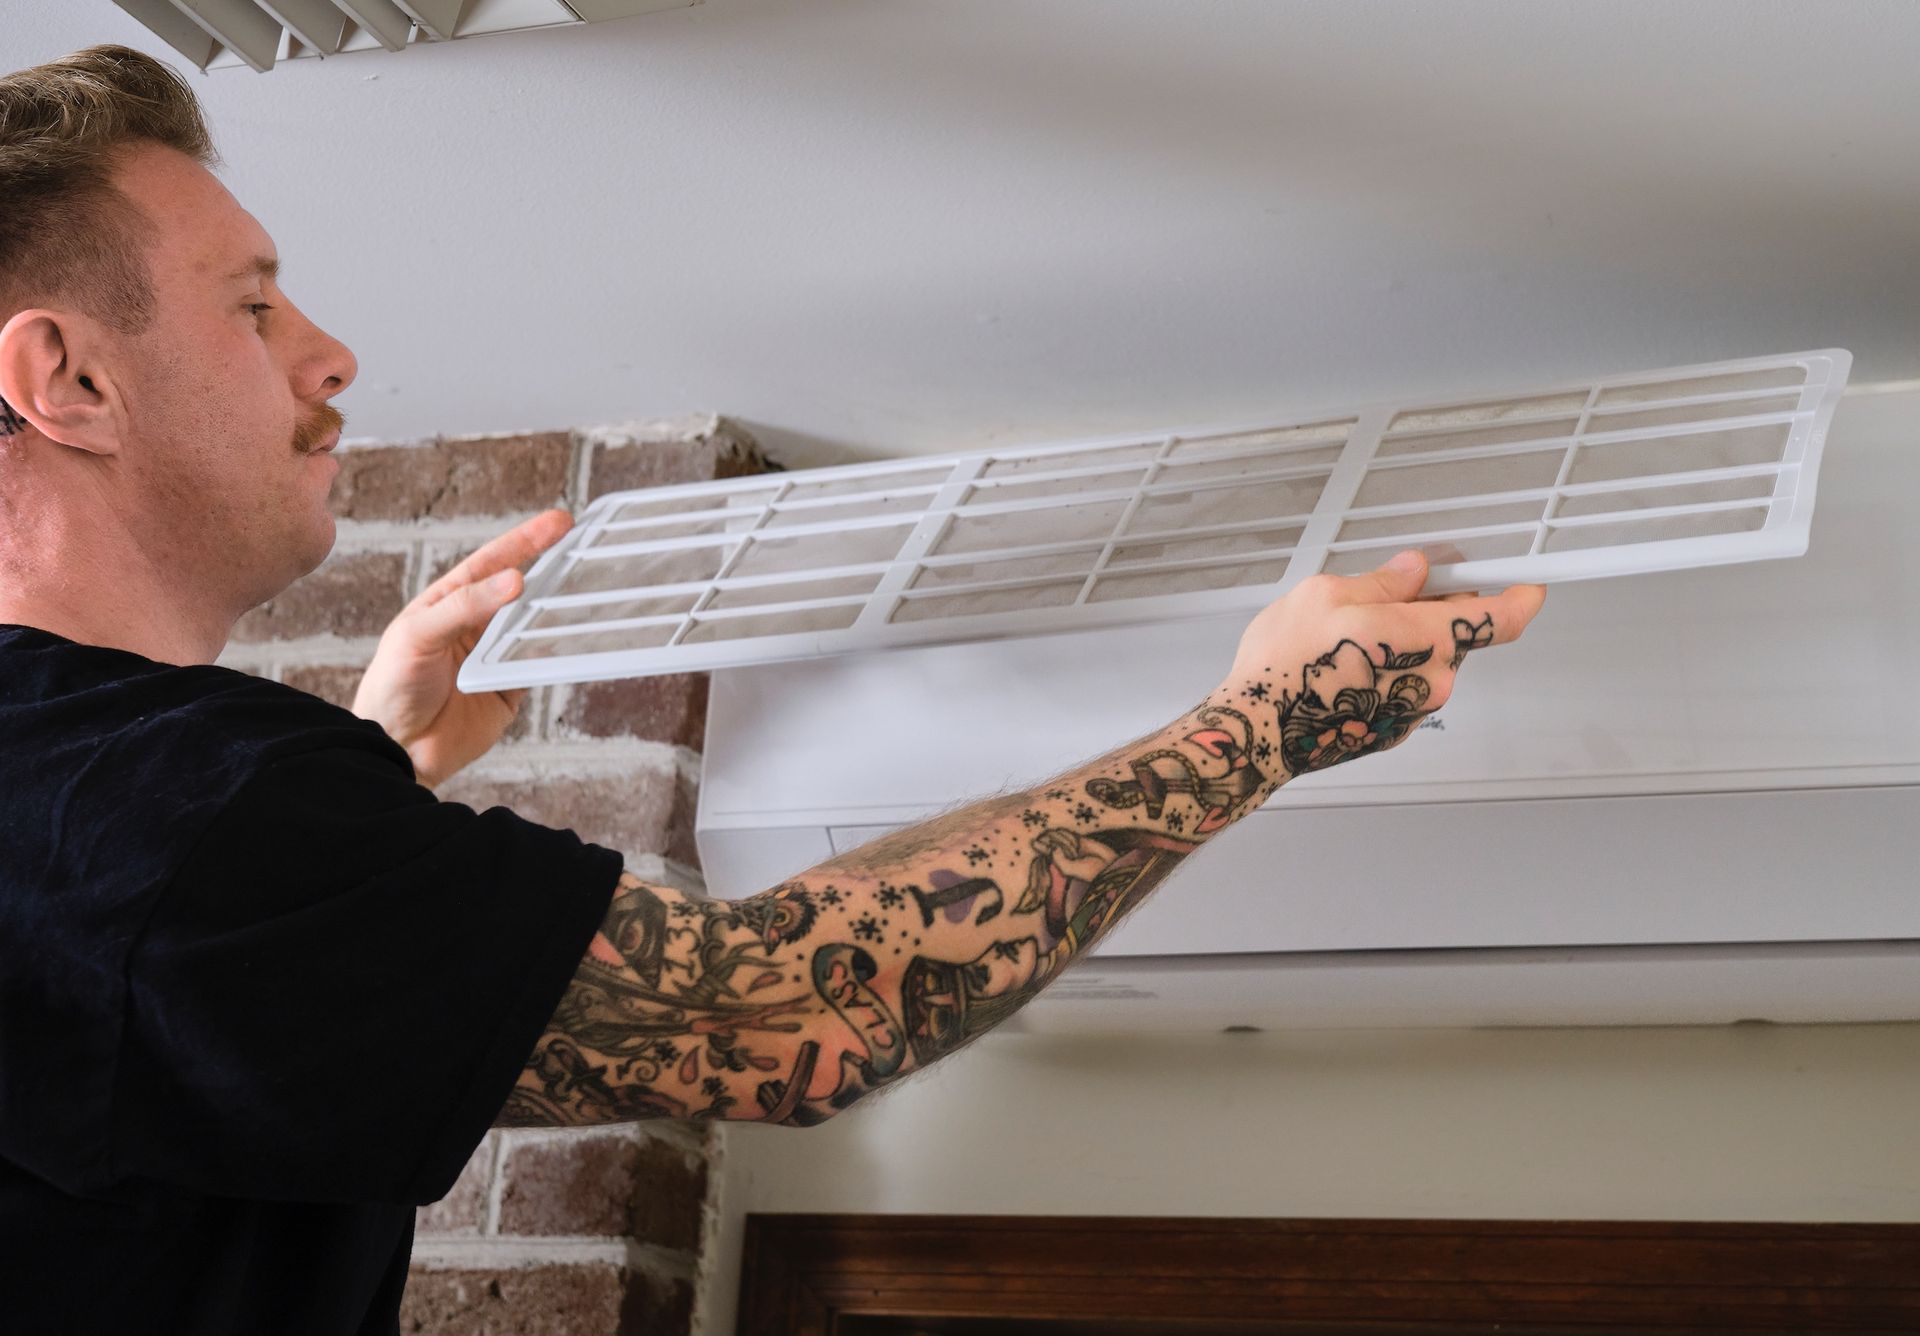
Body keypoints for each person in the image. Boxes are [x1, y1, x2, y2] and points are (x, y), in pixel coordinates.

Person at [0, 44, 1546, 1335]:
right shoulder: (148, 812)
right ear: (67, 381)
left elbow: (153, 987)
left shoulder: (105, 825)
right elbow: (801, 1011)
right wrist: (1264, 724)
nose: (329, 355)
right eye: (254, 305)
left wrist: (374, 771)